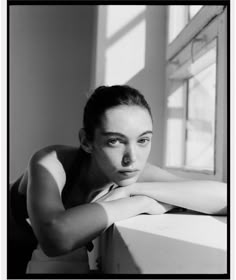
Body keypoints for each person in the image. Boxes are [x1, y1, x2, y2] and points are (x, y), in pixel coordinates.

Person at [9, 85, 227, 274]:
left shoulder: (131, 174)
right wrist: (137, 201)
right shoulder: (51, 161)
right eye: (115, 141)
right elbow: (55, 237)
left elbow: (225, 197)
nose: (132, 158)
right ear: (86, 141)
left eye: (143, 140)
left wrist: (134, 189)